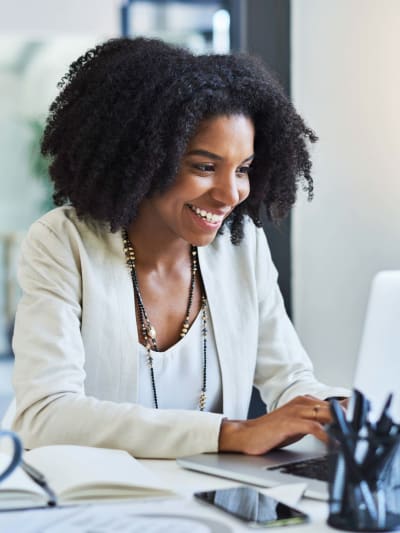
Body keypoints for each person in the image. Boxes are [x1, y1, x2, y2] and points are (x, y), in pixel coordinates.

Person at [11, 37, 348, 458]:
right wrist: (230, 434)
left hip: (214, 509)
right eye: (204, 167)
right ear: (145, 159)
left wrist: (335, 411)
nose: (230, 194)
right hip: (95, 510)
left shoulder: (242, 251)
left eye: (242, 169)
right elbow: (46, 415)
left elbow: (291, 379)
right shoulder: (64, 244)